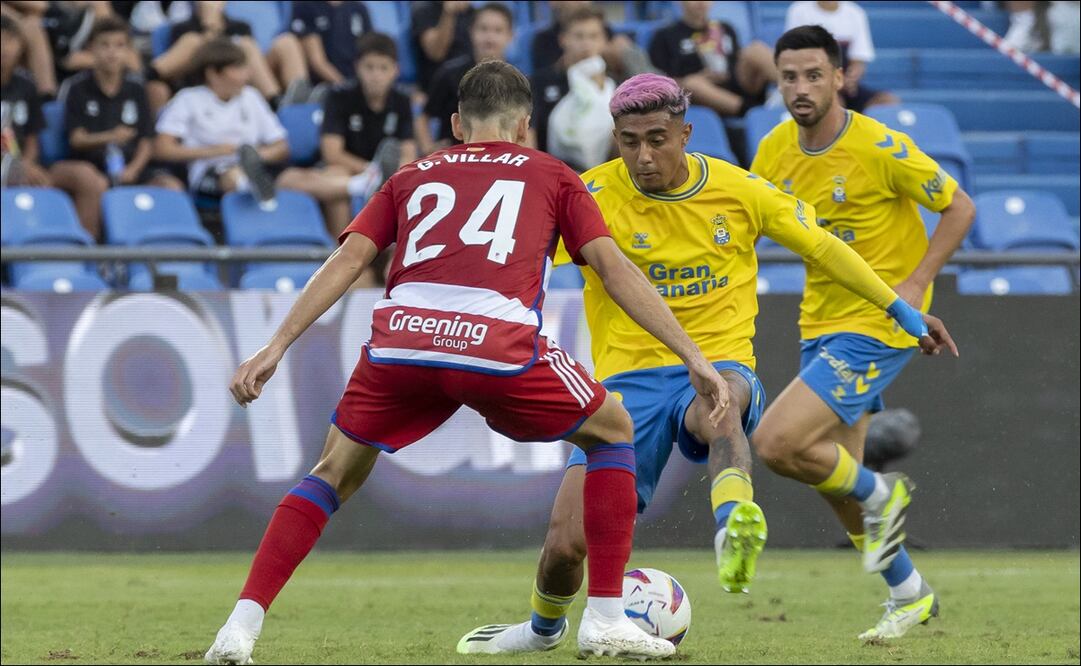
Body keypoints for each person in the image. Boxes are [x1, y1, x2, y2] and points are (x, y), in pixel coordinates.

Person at [204, 60, 734, 664]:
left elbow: (349, 259)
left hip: (403, 339)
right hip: (494, 342)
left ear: (458, 123)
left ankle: (239, 629)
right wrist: (693, 356)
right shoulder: (554, 175)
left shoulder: (410, 174)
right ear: (525, 126)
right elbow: (614, 270)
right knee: (614, 430)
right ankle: (606, 619)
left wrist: (275, 346)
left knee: (331, 474)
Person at [456, 72, 958, 656]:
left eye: (658, 138)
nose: (644, 156)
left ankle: (732, 524)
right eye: (629, 140)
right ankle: (541, 633)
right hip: (626, 386)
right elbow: (515, 258)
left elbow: (823, 247)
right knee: (567, 544)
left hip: (717, 365)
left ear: (686, 133)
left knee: (721, 403)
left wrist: (900, 307)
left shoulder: (739, 190)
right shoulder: (589, 196)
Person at [749, 25, 974, 641]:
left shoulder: (881, 147)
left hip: (877, 323)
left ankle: (885, 492)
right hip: (817, 322)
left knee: (775, 443)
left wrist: (916, 283)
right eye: (789, 76)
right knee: (833, 476)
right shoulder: (772, 151)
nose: (801, 87)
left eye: (814, 74)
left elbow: (960, 207)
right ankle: (910, 595)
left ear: (840, 77)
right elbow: (745, 228)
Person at [278, 31, 416, 236]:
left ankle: (355, 253)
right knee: (308, 178)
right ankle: (343, 242)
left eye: (383, 68)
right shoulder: (339, 96)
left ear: (395, 70)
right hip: (347, 172)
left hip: (384, 181)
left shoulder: (402, 101)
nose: (376, 75)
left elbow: (408, 155)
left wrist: (387, 176)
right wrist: (370, 171)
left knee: (406, 183)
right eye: (369, 67)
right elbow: (332, 154)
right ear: (357, 67)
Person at [1, 13, 108, 239]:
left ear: (21, 46)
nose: (4, 48)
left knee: (87, 177)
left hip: (23, 165)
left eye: (9, 40)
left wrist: (25, 166)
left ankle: (83, 256)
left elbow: (31, 139)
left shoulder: (27, 85)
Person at [62, 17, 183, 195]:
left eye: (120, 46)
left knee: (172, 187)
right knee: (97, 183)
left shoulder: (136, 89)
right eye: (104, 45)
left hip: (132, 165)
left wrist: (133, 169)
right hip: (93, 166)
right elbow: (77, 139)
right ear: (91, 48)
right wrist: (110, 136)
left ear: (128, 51)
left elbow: (146, 139)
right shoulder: (77, 88)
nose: (112, 52)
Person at [149, 0, 308, 110]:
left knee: (285, 42)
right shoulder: (182, 29)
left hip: (245, 80)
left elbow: (252, 63)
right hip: (202, 81)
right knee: (197, 41)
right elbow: (208, 61)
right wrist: (210, 25)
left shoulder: (240, 26)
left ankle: (298, 103)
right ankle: (277, 103)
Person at [649, 0, 776, 117]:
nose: (701, 2)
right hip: (699, 96)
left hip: (734, 82)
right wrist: (700, 77)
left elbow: (738, 60)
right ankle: (753, 114)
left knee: (756, 49)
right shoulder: (664, 35)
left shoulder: (725, 28)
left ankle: (789, 91)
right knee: (692, 84)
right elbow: (658, 81)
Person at [417, 2, 513, 155]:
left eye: (498, 30)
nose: (490, 37)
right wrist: (429, 150)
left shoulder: (519, 81)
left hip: (502, 160)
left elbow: (528, 131)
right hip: (453, 160)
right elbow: (423, 117)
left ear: (510, 36)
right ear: (471, 32)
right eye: (483, 29)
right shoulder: (449, 73)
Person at [531, 5, 615, 170]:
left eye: (593, 36)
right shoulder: (538, 82)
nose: (586, 44)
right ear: (563, 39)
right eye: (579, 36)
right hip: (550, 173)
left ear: (604, 41)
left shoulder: (615, 86)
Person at [784, 1, 898, 111]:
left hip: (845, 84)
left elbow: (859, 59)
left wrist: (851, 79)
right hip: (815, 84)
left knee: (887, 101)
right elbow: (796, 57)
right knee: (835, 103)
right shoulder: (799, 10)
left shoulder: (855, 12)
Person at [289, 0, 372, 87]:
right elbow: (317, 61)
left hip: (356, 80)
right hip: (321, 84)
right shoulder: (305, 5)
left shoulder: (359, 7)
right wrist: (344, 86)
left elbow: (369, 50)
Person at [410, 0, 473, 92]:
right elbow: (436, 53)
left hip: (471, 86)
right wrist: (448, 13)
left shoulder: (472, 12)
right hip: (439, 89)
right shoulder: (424, 9)